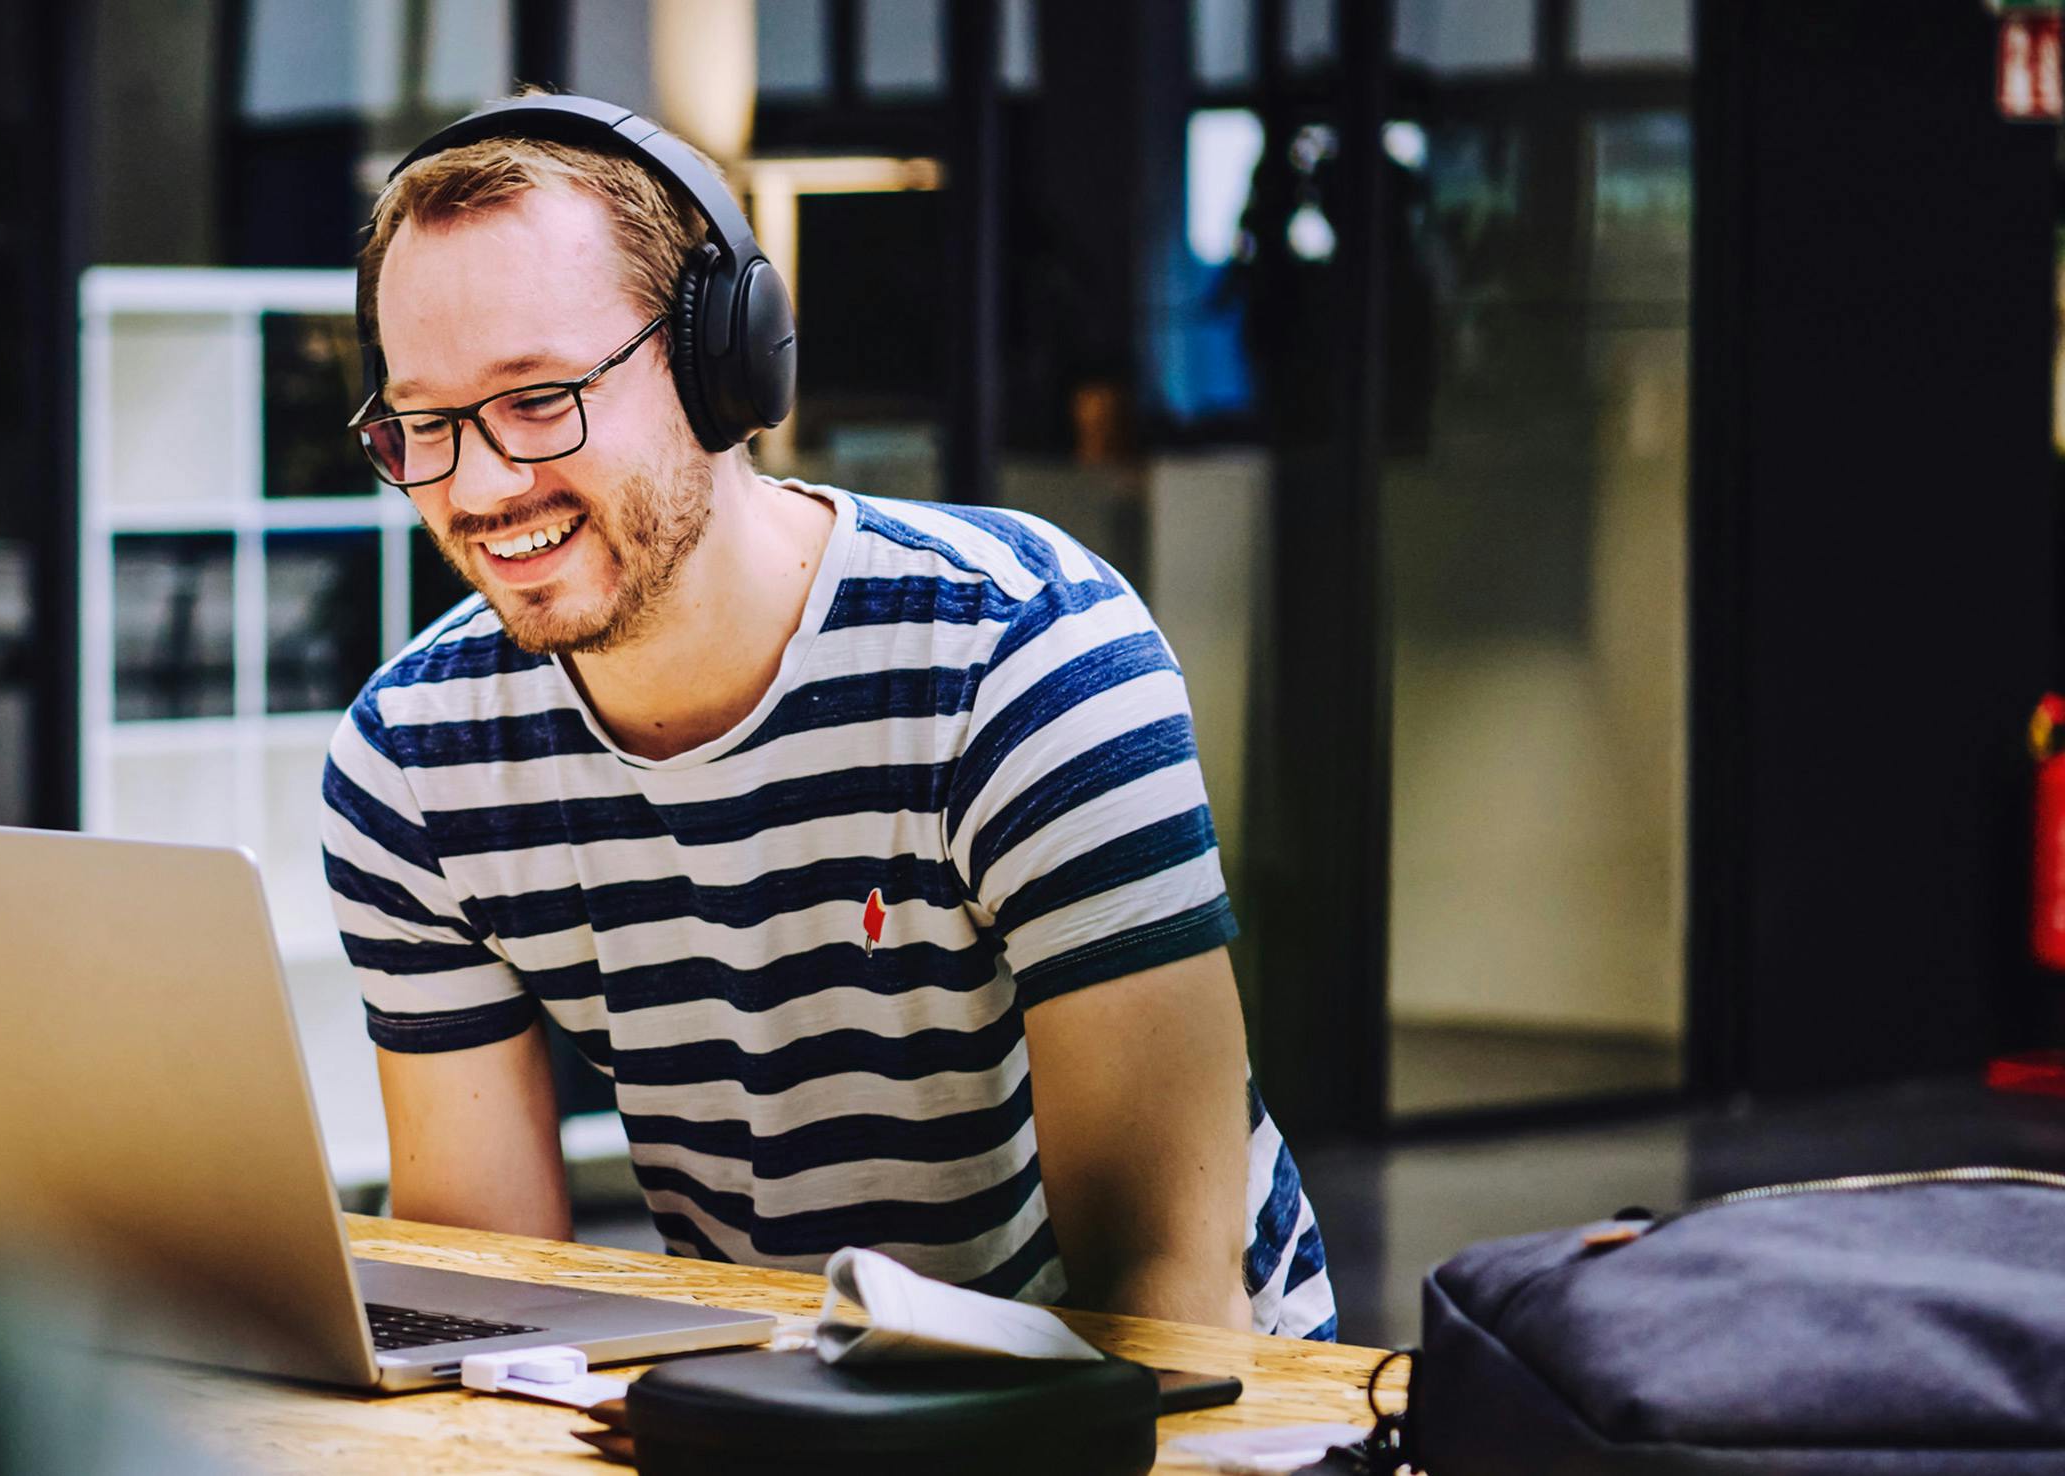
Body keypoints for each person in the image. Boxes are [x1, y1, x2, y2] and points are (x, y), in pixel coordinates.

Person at [322, 97, 1334, 1339]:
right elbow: (483, 1286)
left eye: (540, 398)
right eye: (423, 423)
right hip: (784, 1395)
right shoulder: (415, 764)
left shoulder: (1021, 656)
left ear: (722, 363)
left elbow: (1171, 1302)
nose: (477, 484)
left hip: (1183, 1420)